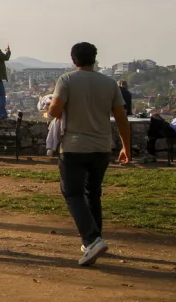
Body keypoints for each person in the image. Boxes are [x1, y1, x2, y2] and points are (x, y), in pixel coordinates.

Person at [47, 42, 131, 267]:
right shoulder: (109, 83)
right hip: (102, 147)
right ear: (94, 59)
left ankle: (92, 240)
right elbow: (121, 117)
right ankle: (94, 239)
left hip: (74, 147)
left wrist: (49, 107)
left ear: (73, 60)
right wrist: (126, 147)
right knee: (92, 192)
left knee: (72, 193)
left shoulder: (66, 80)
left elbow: (54, 111)